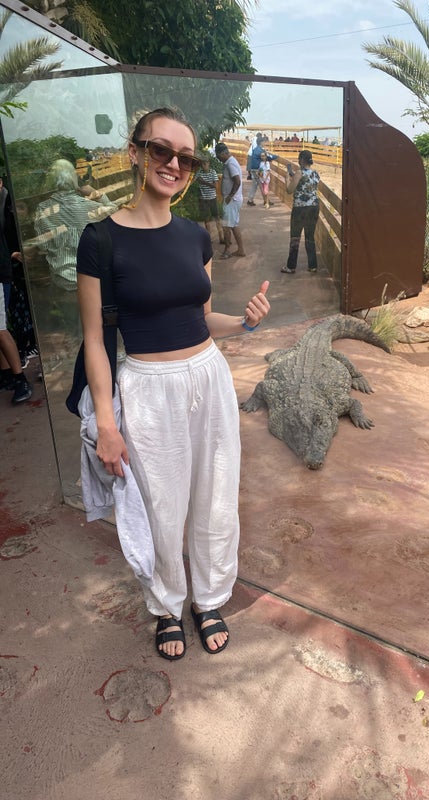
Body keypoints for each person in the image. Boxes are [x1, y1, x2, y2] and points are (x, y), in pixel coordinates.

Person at [77, 107, 270, 661]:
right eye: (161, 150)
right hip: (147, 386)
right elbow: (95, 341)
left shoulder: (194, 237)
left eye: (186, 158)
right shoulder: (100, 240)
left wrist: (244, 322)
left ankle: (208, 598)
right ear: (135, 152)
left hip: (208, 376)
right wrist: (107, 424)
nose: (174, 165)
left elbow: (202, 320)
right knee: (160, 505)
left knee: (216, 496)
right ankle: (166, 605)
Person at [33, 159, 117, 335]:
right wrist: (95, 193)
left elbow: (43, 245)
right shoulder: (87, 206)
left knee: (73, 331)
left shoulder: (43, 209)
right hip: (92, 280)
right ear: (74, 179)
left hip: (62, 282)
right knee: (95, 329)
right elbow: (114, 211)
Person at [0, 177, 32, 404]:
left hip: (1, 273)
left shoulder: (4, 202)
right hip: (3, 269)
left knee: (1, 329)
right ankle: (7, 375)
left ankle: (20, 378)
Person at [281, 150, 320, 274]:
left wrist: (287, 179)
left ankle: (291, 266)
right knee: (310, 236)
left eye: (299, 159)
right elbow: (307, 186)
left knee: (295, 237)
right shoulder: (315, 173)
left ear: (302, 159)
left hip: (300, 208)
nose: (298, 161)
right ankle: (312, 265)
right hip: (314, 207)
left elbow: (289, 190)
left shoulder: (299, 173)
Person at [214, 142, 245, 259]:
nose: (218, 158)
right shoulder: (231, 162)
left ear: (223, 154)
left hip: (232, 200)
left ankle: (227, 250)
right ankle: (240, 250)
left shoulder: (230, 164)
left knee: (226, 226)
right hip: (234, 199)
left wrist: (230, 196)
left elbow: (237, 181)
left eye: (218, 156)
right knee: (234, 225)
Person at [195, 153, 225, 245]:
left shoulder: (213, 172)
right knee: (206, 219)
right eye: (202, 163)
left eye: (205, 163)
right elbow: (193, 180)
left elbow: (215, 186)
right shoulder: (199, 172)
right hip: (203, 199)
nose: (204, 165)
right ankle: (209, 238)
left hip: (212, 198)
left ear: (209, 163)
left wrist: (203, 182)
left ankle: (221, 237)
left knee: (217, 217)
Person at [246, 135, 278, 207]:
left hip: (253, 169)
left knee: (254, 185)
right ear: (261, 142)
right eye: (264, 142)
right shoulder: (261, 150)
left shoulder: (255, 149)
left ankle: (250, 200)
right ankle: (266, 201)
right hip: (258, 170)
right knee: (262, 185)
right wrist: (277, 157)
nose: (264, 143)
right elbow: (269, 156)